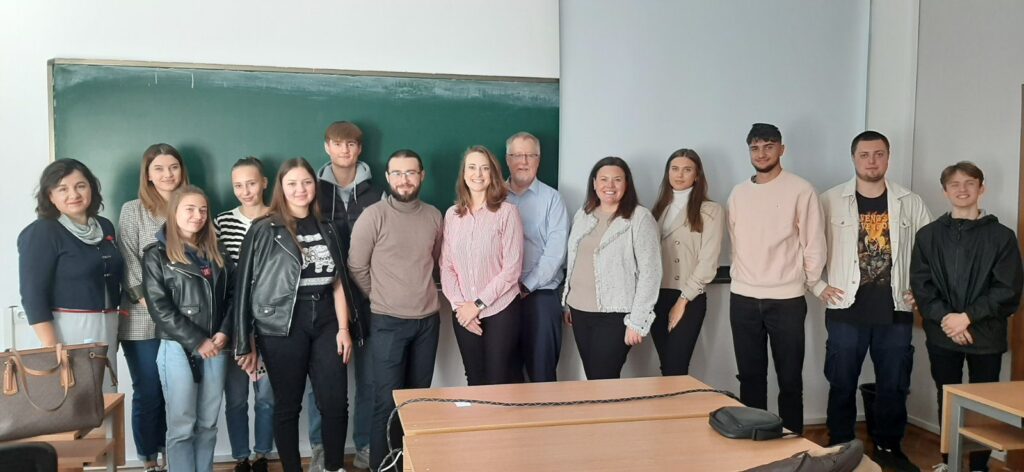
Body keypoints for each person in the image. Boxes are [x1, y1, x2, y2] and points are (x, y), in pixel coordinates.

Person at [234, 158, 358, 472]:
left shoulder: (328, 226)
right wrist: (245, 338)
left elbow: (339, 280)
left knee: (334, 402)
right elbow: (244, 286)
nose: (300, 189)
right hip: (283, 324)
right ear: (281, 188)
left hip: (328, 319)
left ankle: (332, 467)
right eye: (292, 183)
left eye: (306, 182)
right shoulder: (264, 228)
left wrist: (344, 328)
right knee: (287, 405)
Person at [817, 131, 930, 472]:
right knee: (842, 380)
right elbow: (807, 247)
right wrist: (817, 284)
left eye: (878, 154)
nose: (871, 161)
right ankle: (839, 445)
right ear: (853, 158)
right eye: (864, 155)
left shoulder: (910, 201)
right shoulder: (829, 200)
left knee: (894, 383)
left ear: (888, 157)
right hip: (846, 308)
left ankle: (888, 445)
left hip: (894, 308)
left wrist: (921, 291)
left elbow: (929, 252)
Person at [910, 161, 1023, 472]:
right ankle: (949, 462)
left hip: (985, 335)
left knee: (984, 403)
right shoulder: (928, 236)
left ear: (981, 188)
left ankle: (978, 466)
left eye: (969, 183)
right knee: (946, 397)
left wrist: (967, 318)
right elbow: (922, 285)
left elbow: (1008, 289)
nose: (962, 189)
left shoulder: (1002, 237)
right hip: (942, 333)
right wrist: (948, 319)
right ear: (945, 191)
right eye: (954, 184)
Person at [348, 149, 443, 471]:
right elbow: (356, 266)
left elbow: (438, 263)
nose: (405, 180)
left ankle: (410, 465)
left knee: (417, 403)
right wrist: (382, 298)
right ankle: (383, 467)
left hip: (428, 322)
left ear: (422, 176)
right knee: (386, 403)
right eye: (398, 174)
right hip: (388, 322)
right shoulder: (374, 215)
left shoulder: (434, 215)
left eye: (411, 173)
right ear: (388, 178)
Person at [727, 123, 826, 434]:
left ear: (782, 149)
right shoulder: (738, 193)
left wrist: (808, 281)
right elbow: (735, 241)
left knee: (789, 380)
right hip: (742, 297)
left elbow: (814, 242)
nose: (762, 153)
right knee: (750, 378)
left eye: (768, 146)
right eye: (755, 148)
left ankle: (794, 442)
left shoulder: (801, 189)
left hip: (787, 299)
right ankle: (754, 440)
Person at [143, 185, 233, 472]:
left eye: (203, 210)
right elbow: (160, 308)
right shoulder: (156, 255)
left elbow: (233, 296)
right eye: (190, 209)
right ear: (174, 212)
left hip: (217, 347)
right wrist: (197, 341)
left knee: (207, 424)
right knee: (182, 426)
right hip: (178, 347)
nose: (197, 216)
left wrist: (224, 331)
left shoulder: (216, 251)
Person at [18, 159, 123, 390]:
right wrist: (52, 346)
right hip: (64, 330)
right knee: (71, 404)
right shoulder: (43, 231)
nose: (73, 194)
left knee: (104, 400)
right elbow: (32, 293)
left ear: (91, 189)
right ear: (50, 196)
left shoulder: (104, 227)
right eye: (62, 189)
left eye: (80, 186)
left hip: (105, 326)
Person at [119, 143, 190, 471]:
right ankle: (148, 459)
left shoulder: (191, 206)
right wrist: (156, 306)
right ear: (147, 174)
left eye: (173, 167)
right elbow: (129, 262)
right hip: (142, 318)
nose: (167, 174)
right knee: (148, 390)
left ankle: (169, 456)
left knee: (176, 392)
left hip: (184, 318)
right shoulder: (133, 209)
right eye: (159, 168)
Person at [315, 121, 380, 470]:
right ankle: (322, 447)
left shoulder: (377, 193)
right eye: (338, 144)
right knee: (324, 384)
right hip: (324, 302)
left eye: (352, 144)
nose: (345, 150)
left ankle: (367, 445)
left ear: (360, 149)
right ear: (327, 147)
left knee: (369, 379)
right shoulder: (310, 191)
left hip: (368, 300)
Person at [563, 157, 661, 380]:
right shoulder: (584, 214)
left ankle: (609, 415)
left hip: (616, 315)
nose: (610, 185)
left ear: (626, 184)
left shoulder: (639, 218)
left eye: (617, 180)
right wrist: (568, 304)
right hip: (579, 312)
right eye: (604, 179)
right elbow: (576, 261)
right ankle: (599, 415)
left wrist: (638, 321)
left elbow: (651, 273)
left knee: (603, 378)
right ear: (594, 183)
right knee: (593, 377)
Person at [440, 145, 524, 386]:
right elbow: (446, 266)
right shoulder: (452, 215)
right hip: (464, 312)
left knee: (498, 378)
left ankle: (500, 425)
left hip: (501, 309)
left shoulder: (508, 212)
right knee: (474, 377)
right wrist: (460, 307)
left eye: (485, 168)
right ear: (464, 174)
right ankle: (479, 425)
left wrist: (477, 304)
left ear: (493, 175)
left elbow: (512, 268)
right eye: (472, 167)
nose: (478, 174)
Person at [214, 157, 274, 472]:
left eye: (251, 183)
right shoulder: (222, 222)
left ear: (264, 182)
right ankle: (241, 457)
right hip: (234, 322)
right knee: (236, 398)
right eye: (238, 185)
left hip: (271, 324)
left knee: (266, 397)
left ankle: (262, 454)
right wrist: (240, 331)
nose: (245, 191)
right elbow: (225, 279)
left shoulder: (280, 218)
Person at [649, 149, 723, 376]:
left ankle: (680, 412)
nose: (679, 175)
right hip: (656, 295)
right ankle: (669, 411)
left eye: (687, 169)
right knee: (666, 365)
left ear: (697, 175)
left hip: (689, 296)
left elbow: (708, 261)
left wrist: (682, 302)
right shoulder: (657, 209)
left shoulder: (710, 210)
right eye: (674, 169)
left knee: (676, 366)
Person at [504, 132, 569, 383]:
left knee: (542, 375)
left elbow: (555, 253)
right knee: (505, 375)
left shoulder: (552, 199)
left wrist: (525, 285)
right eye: (517, 155)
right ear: (507, 159)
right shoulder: (493, 197)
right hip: (501, 299)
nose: (523, 161)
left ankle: (545, 423)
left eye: (530, 155)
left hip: (540, 297)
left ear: (539, 160)